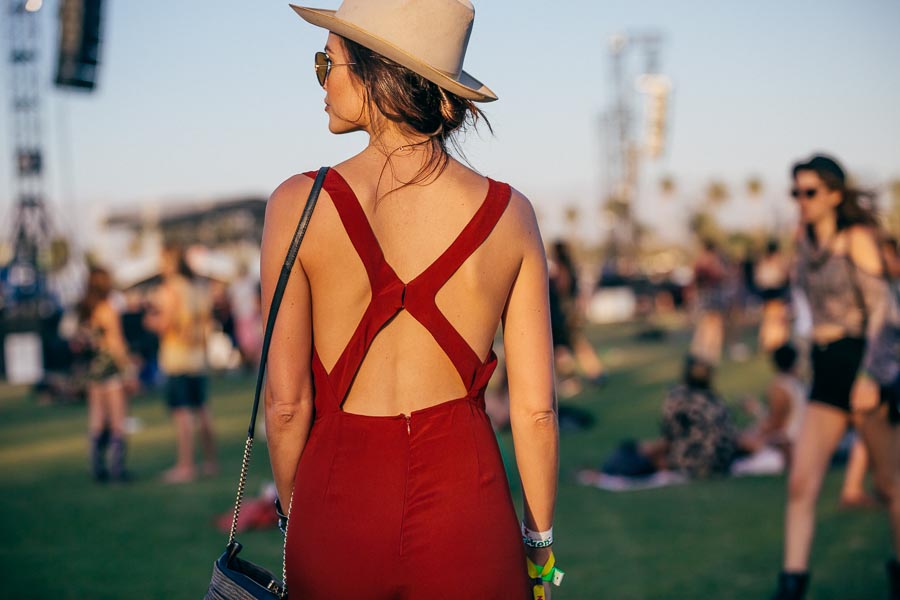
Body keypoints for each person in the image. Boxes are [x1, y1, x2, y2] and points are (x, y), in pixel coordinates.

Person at [263, 2, 560, 597]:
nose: (321, 79)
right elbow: (536, 412)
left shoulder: (297, 205)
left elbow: (287, 405)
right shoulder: (511, 215)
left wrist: (300, 518)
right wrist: (539, 541)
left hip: (337, 499)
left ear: (378, 74)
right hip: (467, 502)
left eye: (327, 62)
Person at [771, 154, 900, 600]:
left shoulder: (856, 239)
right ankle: (792, 586)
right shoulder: (803, 242)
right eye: (796, 192)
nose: (801, 200)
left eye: (810, 192)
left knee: (889, 486)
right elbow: (803, 307)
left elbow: (886, 311)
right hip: (825, 370)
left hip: (862, 363)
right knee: (801, 484)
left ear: (834, 195)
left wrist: (872, 375)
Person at [144, 246, 218, 483]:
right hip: (198, 357)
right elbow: (207, 322)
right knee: (202, 410)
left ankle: (185, 466)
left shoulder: (169, 289)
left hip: (176, 357)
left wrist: (149, 321)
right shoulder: (198, 287)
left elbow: (167, 323)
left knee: (182, 412)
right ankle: (210, 462)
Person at [74, 267, 135, 482]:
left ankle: (97, 467)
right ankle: (117, 468)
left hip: (94, 370)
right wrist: (128, 370)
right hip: (110, 369)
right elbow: (116, 343)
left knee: (97, 420)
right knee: (118, 419)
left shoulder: (86, 310)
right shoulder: (107, 309)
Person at [755, 240, 792, 352]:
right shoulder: (765, 264)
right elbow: (761, 281)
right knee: (770, 322)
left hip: (778, 297)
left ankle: (778, 343)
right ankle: (769, 344)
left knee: (779, 322)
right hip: (770, 298)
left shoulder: (779, 263)